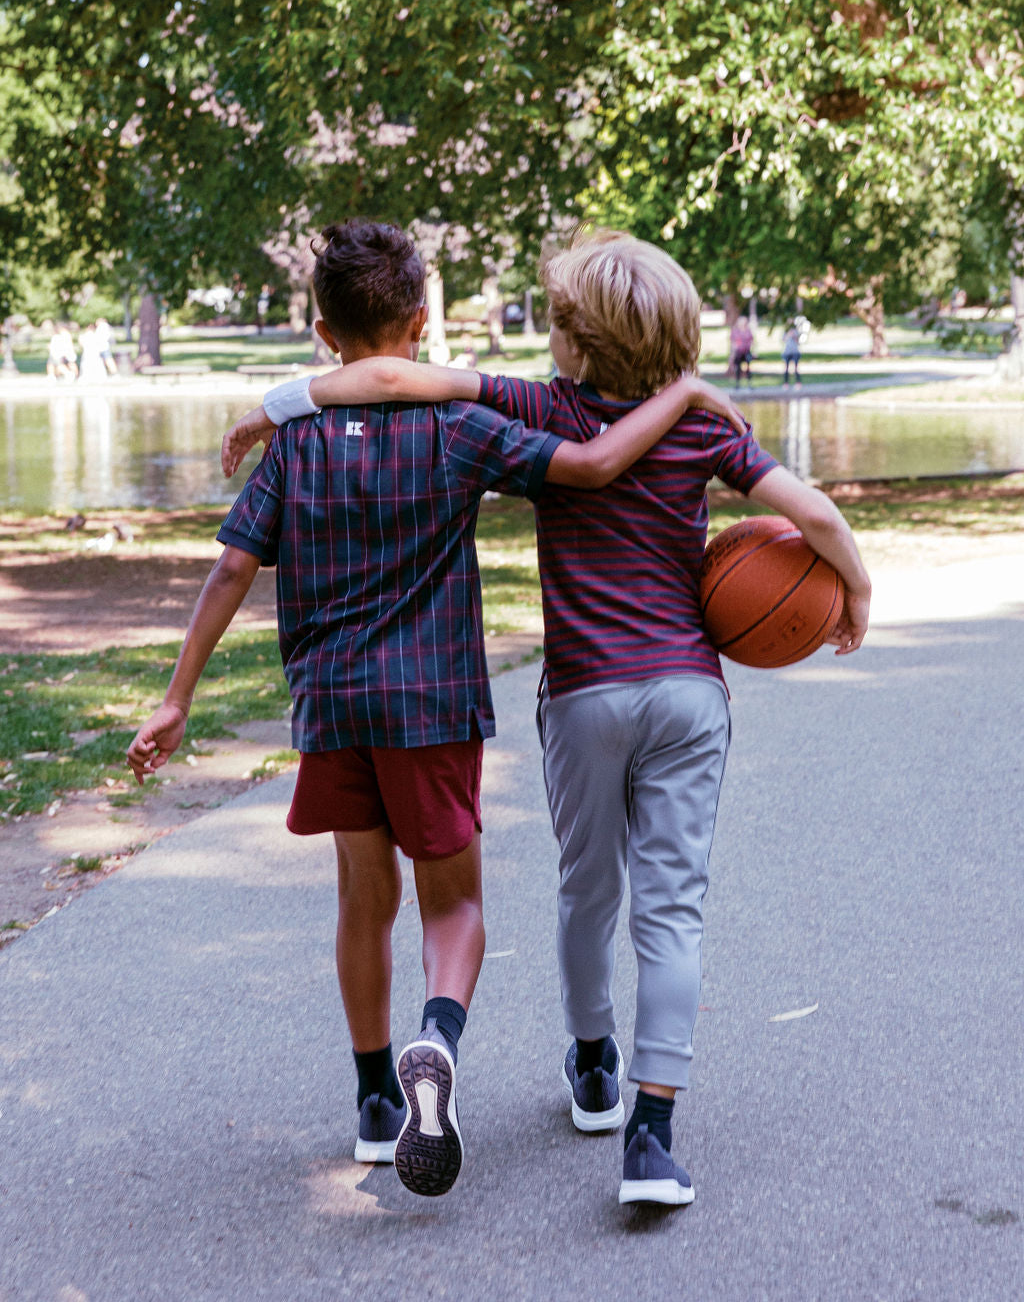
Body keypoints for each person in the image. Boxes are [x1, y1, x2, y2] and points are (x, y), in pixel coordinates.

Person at [225, 228, 871, 1208]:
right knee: (673, 910)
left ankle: (594, 1066)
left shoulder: (540, 403)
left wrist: (271, 406)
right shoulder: (705, 429)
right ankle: (650, 1141)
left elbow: (393, 381)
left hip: (581, 694)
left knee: (587, 890)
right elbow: (814, 517)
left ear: (570, 340)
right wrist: (854, 587)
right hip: (691, 693)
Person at [127, 219, 743, 1202]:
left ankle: (376, 1101)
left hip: (331, 708)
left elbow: (232, 567)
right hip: (433, 706)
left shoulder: (294, 444)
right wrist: (686, 400)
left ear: (322, 333)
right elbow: (587, 468)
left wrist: (174, 698)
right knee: (451, 905)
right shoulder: (459, 429)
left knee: (361, 906)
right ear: (422, 320)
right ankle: (437, 1039)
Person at [728, 313, 753, 384]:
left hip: (746, 351)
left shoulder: (748, 331)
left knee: (748, 366)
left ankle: (749, 382)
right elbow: (733, 342)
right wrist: (732, 353)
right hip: (738, 352)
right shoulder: (735, 331)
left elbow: (751, 341)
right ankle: (737, 383)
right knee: (738, 367)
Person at [782, 318, 803, 385]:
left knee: (796, 368)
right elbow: (783, 340)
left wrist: (794, 336)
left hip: (795, 352)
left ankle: (798, 382)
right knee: (786, 368)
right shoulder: (785, 332)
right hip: (787, 352)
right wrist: (788, 334)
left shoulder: (796, 332)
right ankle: (786, 383)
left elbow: (798, 342)